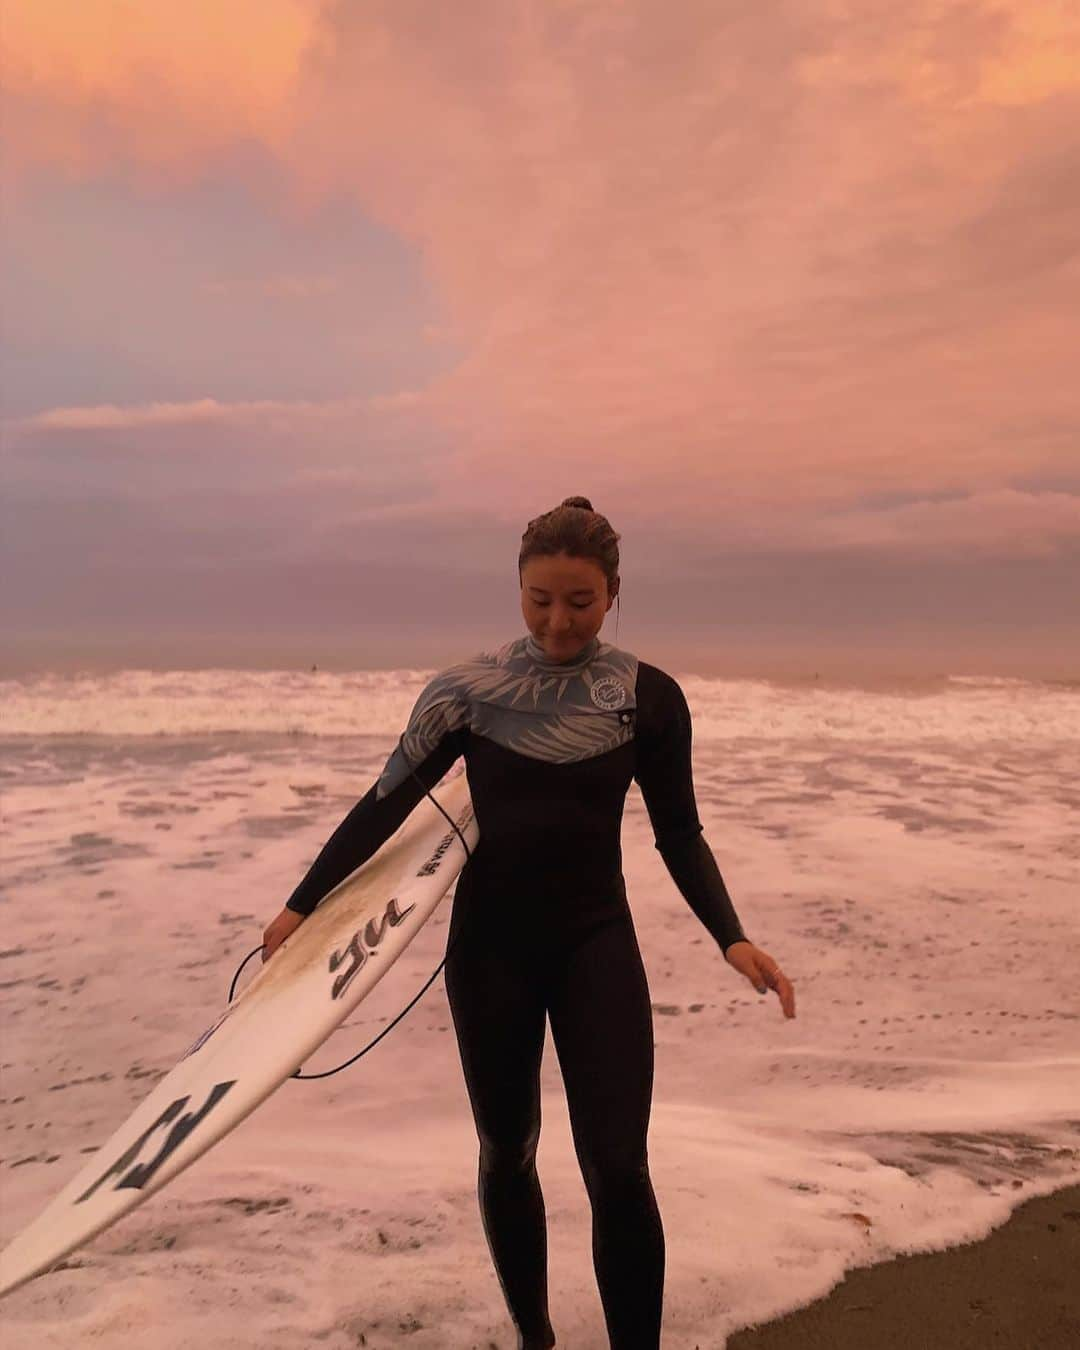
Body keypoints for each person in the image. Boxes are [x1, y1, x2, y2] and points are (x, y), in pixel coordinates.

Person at [261, 497, 796, 1350]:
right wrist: (301, 905)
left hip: (596, 942)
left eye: (579, 603)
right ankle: (535, 1337)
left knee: (618, 1167)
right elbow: (384, 805)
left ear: (613, 593)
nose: (557, 621)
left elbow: (679, 831)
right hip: (491, 951)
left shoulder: (648, 699)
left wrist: (731, 936)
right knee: (508, 1149)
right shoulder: (467, 695)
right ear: (518, 588)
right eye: (539, 599)